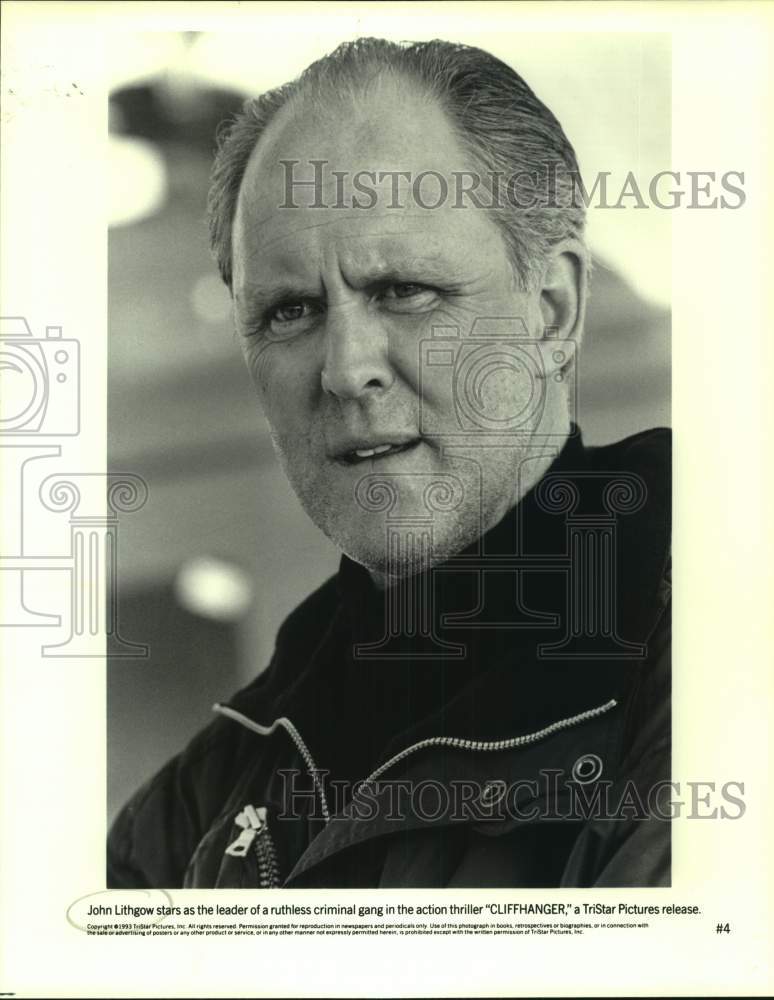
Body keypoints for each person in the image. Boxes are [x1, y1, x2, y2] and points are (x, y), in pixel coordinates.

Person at [108, 37, 670, 889]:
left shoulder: (720, 661)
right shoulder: (192, 809)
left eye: (404, 291)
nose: (344, 370)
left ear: (552, 311)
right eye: (290, 310)